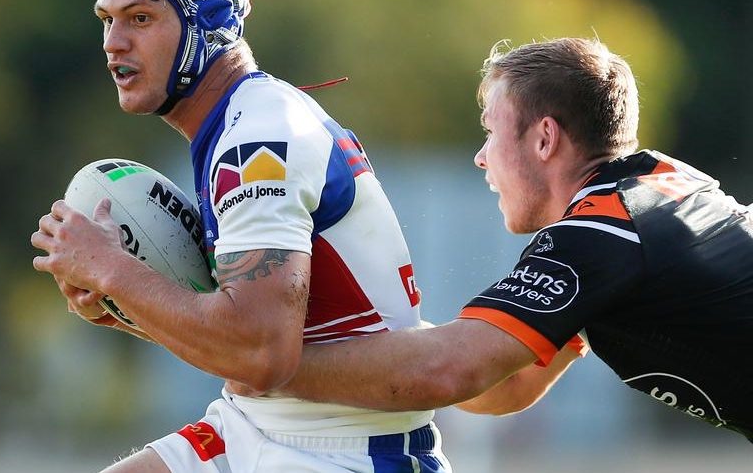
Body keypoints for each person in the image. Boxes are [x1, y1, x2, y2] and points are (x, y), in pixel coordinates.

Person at [31, 0, 451, 472]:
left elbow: (260, 351)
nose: (113, 43)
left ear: (206, 23)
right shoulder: (239, 123)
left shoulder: (256, 141)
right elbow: (248, 344)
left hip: (343, 448)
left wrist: (111, 269)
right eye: (107, 20)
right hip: (264, 420)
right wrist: (126, 308)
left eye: (140, 18)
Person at [260, 37, 753, 442]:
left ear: (544, 138)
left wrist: (269, 367)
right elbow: (508, 384)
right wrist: (380, 334)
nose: (481, 157)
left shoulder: (599, 234)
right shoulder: (659, 185)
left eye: (490, 132)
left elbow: (448, 371)